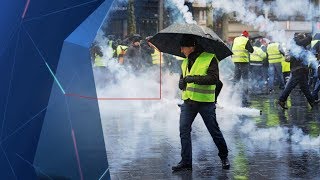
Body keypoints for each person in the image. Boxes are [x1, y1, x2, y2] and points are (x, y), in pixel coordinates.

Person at [172, 34, 230, 172]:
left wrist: (192, 78)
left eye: (183, 48)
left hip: (205, 102)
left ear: (191, 47)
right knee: (183, 130)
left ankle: (224, 156)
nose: (181, 51)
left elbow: (214, 79)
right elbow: (183, 80)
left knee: (214, 131)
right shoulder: (184, 62)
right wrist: (181, 83)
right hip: (188, 102)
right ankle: (186, 162)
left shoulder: (210, 58)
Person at [278, 33, 316, 109]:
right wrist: (307, 35)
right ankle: (281, 100)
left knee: (305, 87)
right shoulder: (297, 43)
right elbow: (308, 39)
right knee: (290, 86)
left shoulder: (295, 45)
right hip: (298, 69)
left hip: (300, 69)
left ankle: (312, 101)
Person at [231, 30, 254, 105]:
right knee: (245, 80)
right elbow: (251, 50)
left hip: (236, 61)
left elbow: (231, 49)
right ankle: (245, 99)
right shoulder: (246, 40)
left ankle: (230, 97)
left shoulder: (235, 39)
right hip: (244, 62)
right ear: (246, 36)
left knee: (236, 80)